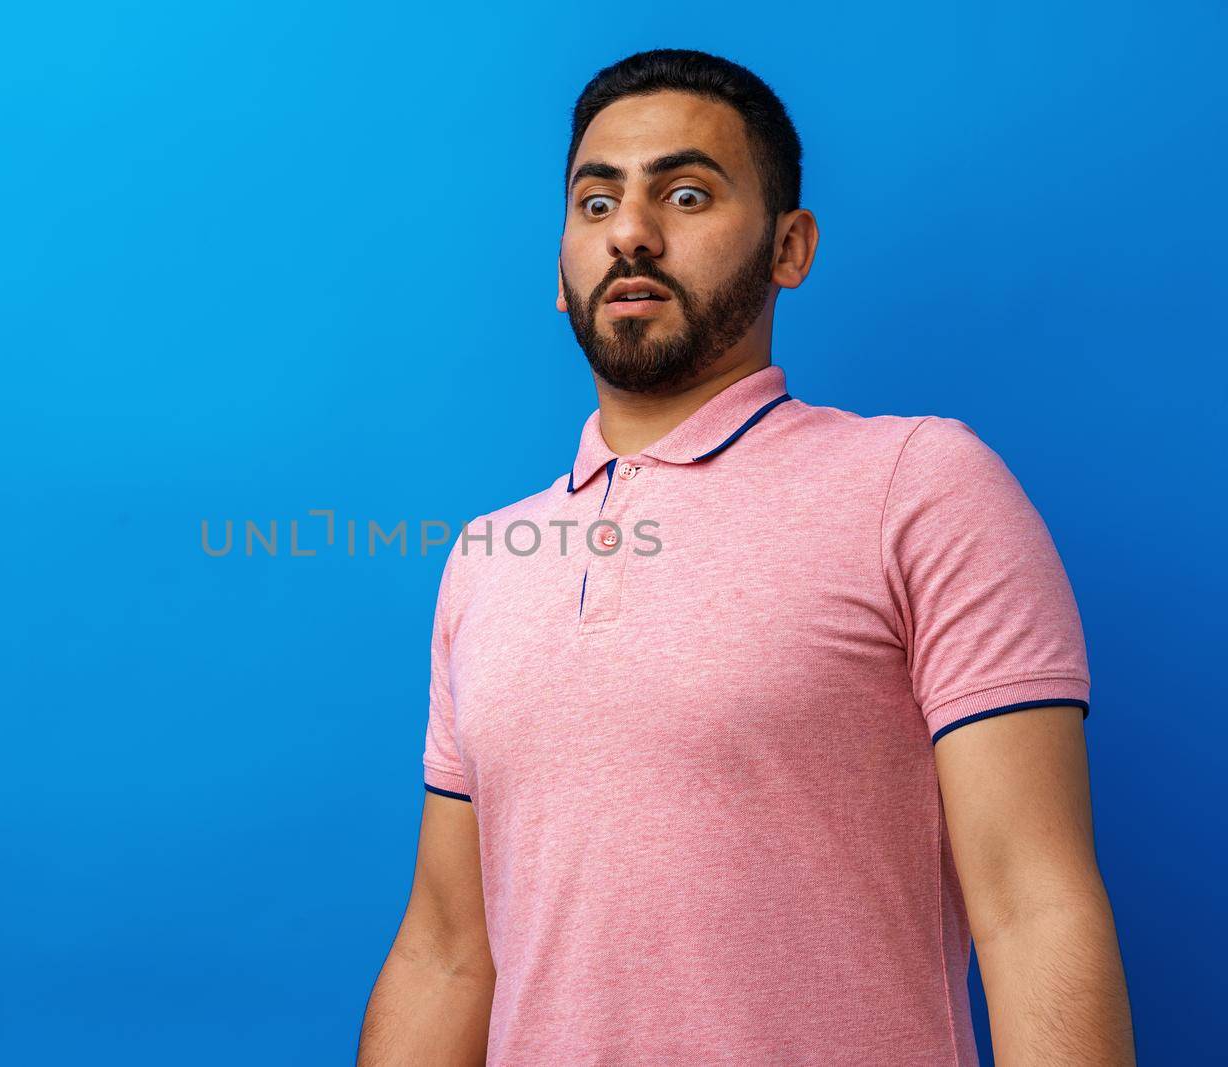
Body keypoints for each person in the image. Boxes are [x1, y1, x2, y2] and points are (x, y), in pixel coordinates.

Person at [357, 48, 1134, 1066]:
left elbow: (1033, 908)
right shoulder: (487, 555)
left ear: (789, 246)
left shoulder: (919, 483)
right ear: (559, 270)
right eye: (595, 206)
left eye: (685, 194)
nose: (630, 232)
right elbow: (449, 952)